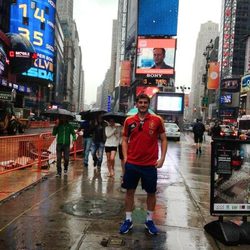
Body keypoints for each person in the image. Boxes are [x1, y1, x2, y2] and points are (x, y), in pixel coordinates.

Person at [119, 93, 168, 235]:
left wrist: (162, 159)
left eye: (145, 102)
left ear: (149, 104)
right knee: (129, 192)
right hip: (132, 164)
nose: (142, 105)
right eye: (140, 102)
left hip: (150, 165)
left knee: (151, 193)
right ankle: (128, 220)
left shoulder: (157, 120)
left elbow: (164, 139)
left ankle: (149, 220)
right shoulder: (129, 121)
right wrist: (126, 157)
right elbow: (124, 139)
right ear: (136, 104)